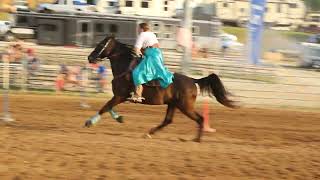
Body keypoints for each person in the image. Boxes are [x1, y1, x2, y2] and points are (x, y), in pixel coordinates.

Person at [128, 23, 174, 102]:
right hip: (158, 53)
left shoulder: (142, 34)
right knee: (158, 71)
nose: (138, 30)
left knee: (137, 72)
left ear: (141, 29)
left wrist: (139, 54)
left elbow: (136, 49)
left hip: (150, 54)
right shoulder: (152, 34)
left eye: (139, 29)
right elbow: (157, 45)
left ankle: (138, 95)